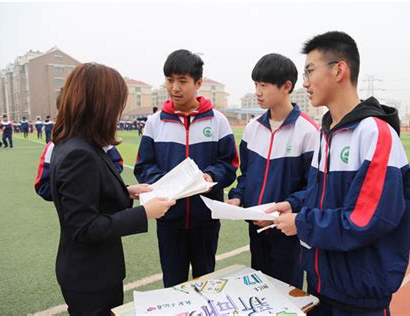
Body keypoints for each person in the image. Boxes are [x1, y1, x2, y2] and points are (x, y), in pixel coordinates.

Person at [271, 31, 410, 316]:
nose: (306, 82)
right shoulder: (327, 134)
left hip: (359, 298)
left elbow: (367, 218)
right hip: (321, 287)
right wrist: (294, 205)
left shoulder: (375, 133)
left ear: (339, 70)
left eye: (310, 71)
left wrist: (302, 223)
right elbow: (320, 195)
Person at [49, 62, 176, 315]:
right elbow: (84, 227)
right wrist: (145, 213)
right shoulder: (79, 153)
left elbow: (88, 195)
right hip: (90, 277)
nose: (119, 112)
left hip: (90, 272)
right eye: (117, 103)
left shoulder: (80, 144)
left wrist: (125, 191)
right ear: (100, 105)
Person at [134, 49, 238, 287]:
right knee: (173, 284)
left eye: (182, 81)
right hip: (169, 219)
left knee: (206, 282)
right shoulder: (155, 122)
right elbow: (144, 166)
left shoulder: (218, 120)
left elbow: (229, 164)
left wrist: (209, 176)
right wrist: (167, 183)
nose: (175, 88)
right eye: (170, 80)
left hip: (206, 219)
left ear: (198, 82)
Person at [227, 53, 319, 289]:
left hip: (288, 233)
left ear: (286, 86)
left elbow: (314, 188)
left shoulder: (308, 132)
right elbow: (245, 175)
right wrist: (237, 196)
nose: (258, 91)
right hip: (256, 229)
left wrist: (288, 206)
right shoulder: (251, 129)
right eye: (256, 84)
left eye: (264, 85)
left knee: (287, 295)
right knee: (260, 291)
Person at [34, 89, 124, 201]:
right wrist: (75, 189)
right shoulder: (53, 146)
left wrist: (101, 183)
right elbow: (43, 187)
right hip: (77, 209)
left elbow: (117, 164)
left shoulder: (102, 141)